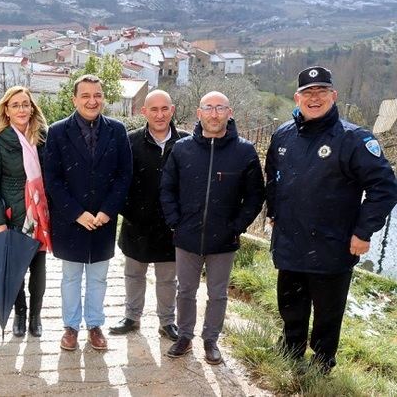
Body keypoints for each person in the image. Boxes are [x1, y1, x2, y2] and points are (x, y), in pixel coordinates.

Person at [265, 66, 397, 373]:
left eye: (321, 92)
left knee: (327, 312)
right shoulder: (282, 135)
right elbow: (274, 178)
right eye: (308, 93)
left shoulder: (353, 139)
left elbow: (384, 187)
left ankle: (322, 363)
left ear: (333, 96)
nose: (314, 98)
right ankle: (290, 349)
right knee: (291, 305)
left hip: (333, 245)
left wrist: (364, 232)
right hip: (290, 241)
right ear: (297, 98)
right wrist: (274, 212)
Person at [160, 91, 264, 365]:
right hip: (187, 236)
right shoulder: (182, 149)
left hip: (224, 238)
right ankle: (184, 336)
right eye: (209, 108)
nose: (214, 114)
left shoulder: (244, 151)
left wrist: (237, 226)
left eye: (220, 108)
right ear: (199, 113)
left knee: (217, 293)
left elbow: (255, 196)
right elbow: (167, 188)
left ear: (230, 113)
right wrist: (175, 221)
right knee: (185, 290)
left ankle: (211, 339)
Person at [44, 74, 133, 351]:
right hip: (70, 220)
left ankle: (95, 325)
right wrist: (75, 212)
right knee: (70, 276)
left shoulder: (117, 130)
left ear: (103, 98)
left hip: (103, 221)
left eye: (97, 95)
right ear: (74, 99)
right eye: (85, 96)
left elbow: (124, 175)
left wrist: (107, 211)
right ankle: (70, 327)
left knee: (98, 277)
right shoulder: (58, 131)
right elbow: (53, 178)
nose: (92, 101)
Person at [109, 90, 189, 341]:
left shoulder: (186, 143)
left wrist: (180, 217)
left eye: (164, 109)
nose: (160, 114)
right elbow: (117, 181)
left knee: (168, 279)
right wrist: (129, 211)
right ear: (144, 112)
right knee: (134, 274)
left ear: (172, 110)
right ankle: (132, 318)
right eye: (153, 109)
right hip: (137, 222)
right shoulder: (129, 141)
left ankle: (167, 322)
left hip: (171, 226)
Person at [0, 86, 51, 337]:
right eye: (16, 105)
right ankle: (20, 314)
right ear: (6, 111)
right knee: (16, 269)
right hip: (14, 214)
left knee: (39, 268)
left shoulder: (44, 137)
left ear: (32, 108)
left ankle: (36, 316)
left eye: (25, 104)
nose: (22, 109)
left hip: (40, 216)